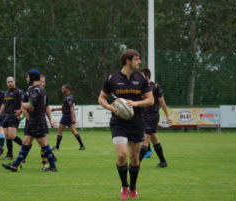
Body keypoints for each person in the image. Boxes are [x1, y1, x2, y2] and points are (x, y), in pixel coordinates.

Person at [98, 49, 154, 200]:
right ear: (128, 61)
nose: (140, 62)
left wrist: (135, 103)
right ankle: (124, 186)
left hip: (137, 122)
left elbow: (150, 100)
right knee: (122, 155)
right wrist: (110, 107)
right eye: (137, 59)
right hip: (118, 122)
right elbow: (101, 98)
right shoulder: (112, 78)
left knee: (134, 158)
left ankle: (133, 187)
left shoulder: (141, 79)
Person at [2, 69, 57, 172]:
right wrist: (21, 110)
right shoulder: (31, 89)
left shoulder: (37, 90)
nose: (26, 78)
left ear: (32, 77)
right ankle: (15, 165)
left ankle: (53, 166)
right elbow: (26, 103)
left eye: (28, 76)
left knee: (43, 144)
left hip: (37, 121)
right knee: (26, 142)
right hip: (31, 121)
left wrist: (22, 105)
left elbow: (30, 106)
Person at [139, 68, 171, 168]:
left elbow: (162, 102)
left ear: (147, 76)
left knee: (144, 140)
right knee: (154, 139)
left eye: (141, 75)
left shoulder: (155, 87)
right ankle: (163, 162)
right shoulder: (140, 87)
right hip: (143, 117)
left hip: (152, 117)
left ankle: (136, 164)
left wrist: (167, 116)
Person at [51, 84, 85, 151]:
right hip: (68, 115)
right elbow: (63, 107)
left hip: (67, 116)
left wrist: (73, 118)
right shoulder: (67, 97)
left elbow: (71, 107)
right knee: (74, 131)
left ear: (67, 89)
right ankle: (82, 145)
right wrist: (54, 109)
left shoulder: (68, 97)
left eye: (63, 88)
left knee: (60, 131)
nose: (62, 90)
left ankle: (57, 147)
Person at [0, 77, 23, 160]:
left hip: (14, 115)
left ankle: (25, 147)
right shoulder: (6, 93)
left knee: (12, 135)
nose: (10, 83)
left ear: (14, 82)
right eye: (8, 82)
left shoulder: (18, 91)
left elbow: (23, 103)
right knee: (7, 136)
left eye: (11, 81)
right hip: (6, 116)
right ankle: (9, 155)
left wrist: (21, 112)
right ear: (6, 83)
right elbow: (3, 105)